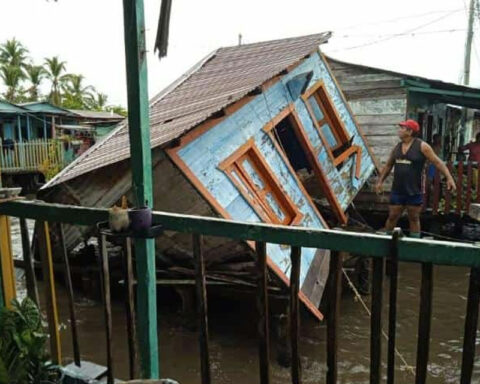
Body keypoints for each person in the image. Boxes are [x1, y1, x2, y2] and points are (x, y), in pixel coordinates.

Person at [375, 119, 456, 238]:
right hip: (398, 189)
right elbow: (388, 165)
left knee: (413, 217)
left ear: (410, 131)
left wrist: (449, 178)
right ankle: (386, 242)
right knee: (393, 216)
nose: (399, 130)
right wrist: (380, 181)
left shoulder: (422, 146)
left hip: (414, 189)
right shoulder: (397, 147)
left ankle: (414, 243)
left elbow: (438, 162)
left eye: (402, 128)